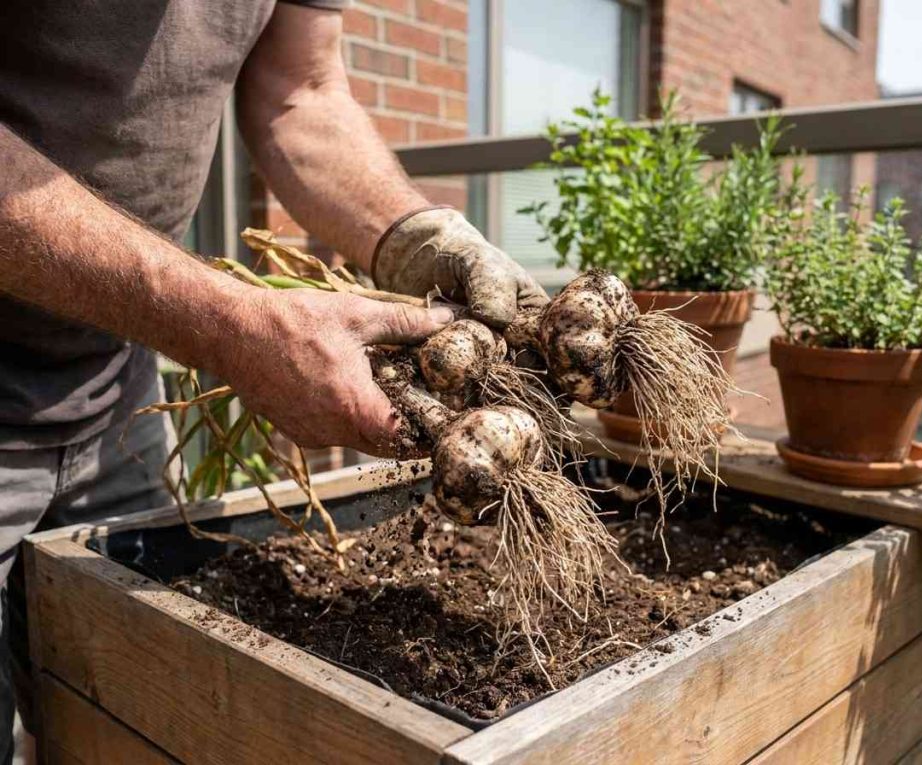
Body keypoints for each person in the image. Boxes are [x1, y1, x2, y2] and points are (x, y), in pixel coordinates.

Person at [0, 1, 547, 758]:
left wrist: (415, 236)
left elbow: (303, 90)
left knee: (134, 713)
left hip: (114, 385)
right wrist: (230, 325)